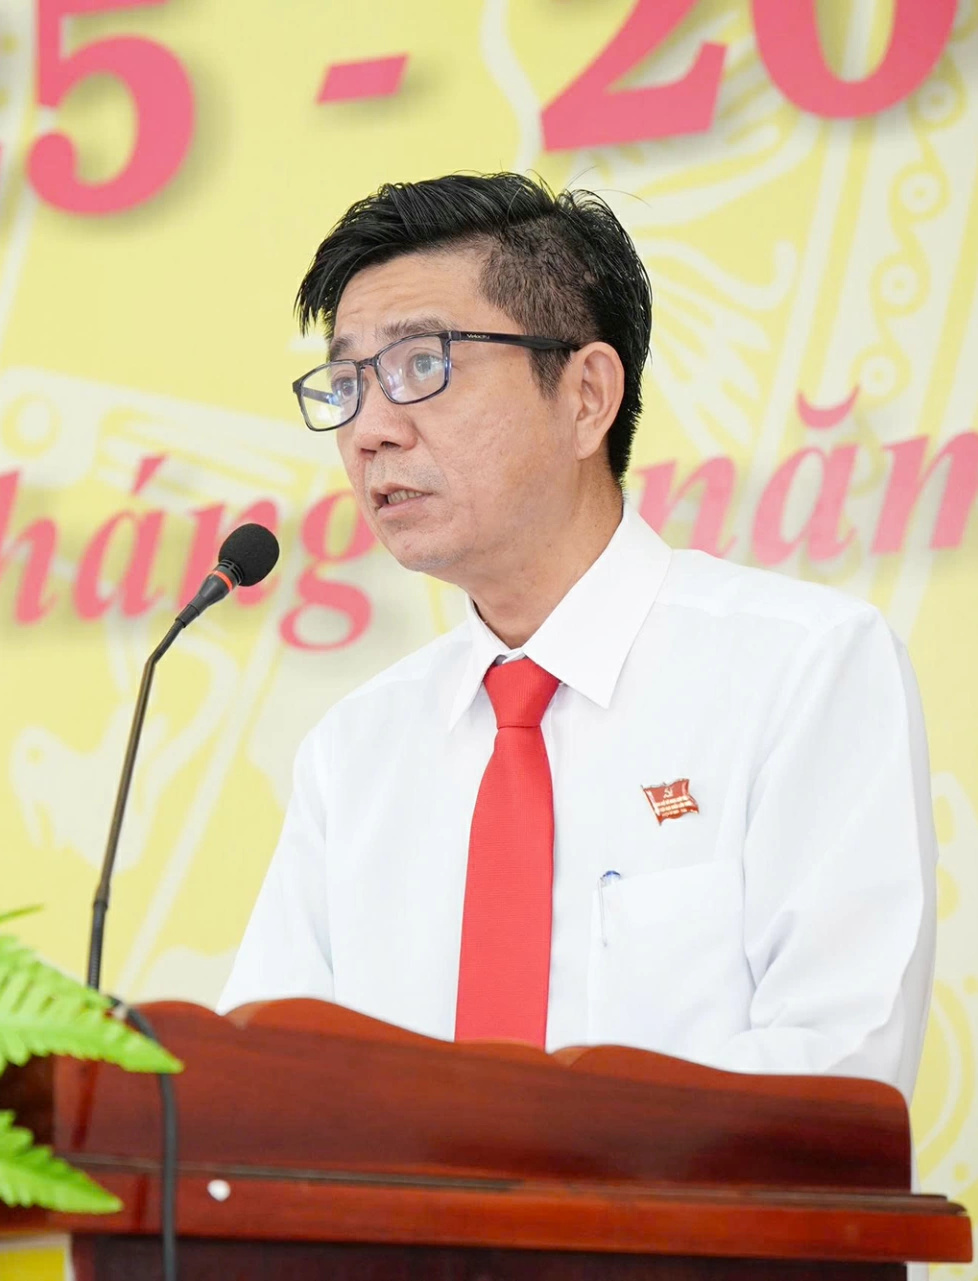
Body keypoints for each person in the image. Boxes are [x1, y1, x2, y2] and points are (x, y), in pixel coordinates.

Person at [217, 172, 937, 1096]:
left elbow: (838, 1074)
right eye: (348, 382)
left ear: (587, 394)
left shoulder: (802, 671)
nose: (370, 431)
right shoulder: (353, 754)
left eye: (421, 365)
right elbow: (263, 1089)